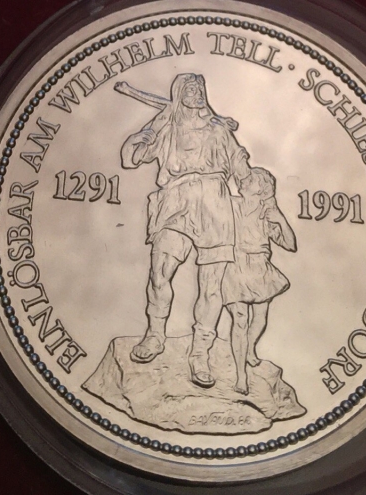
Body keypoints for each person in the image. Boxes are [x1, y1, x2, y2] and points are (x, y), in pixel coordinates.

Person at [119, 73, 251, 388]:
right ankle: (155, 335)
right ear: (179, 94)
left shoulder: (219, 130)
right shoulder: (167, 127)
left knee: (212, 287)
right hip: (175, 200)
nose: (196, 93)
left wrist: (256, 204)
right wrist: (146, 133)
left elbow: (242, 170)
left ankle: (200, 354)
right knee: (159, 273)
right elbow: (130, 160)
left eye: (200, 88)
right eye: (189, 89)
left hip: (215, 204)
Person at [221, 167, 297, 395]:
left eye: (251, 179)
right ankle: (241, 376)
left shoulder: (268, 213)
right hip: (235, 266)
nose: (244, 180)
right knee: (240, 319)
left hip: (260, 268)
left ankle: (249, 348)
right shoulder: (230, 205)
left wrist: (281, 220)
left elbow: (290, 244)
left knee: (260, 318)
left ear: (262, 188)